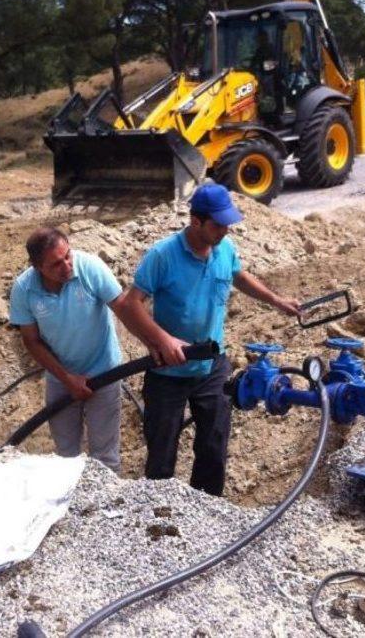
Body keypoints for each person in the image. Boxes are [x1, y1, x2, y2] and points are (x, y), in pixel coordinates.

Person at [120, 183, 300, 497]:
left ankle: (207, 510)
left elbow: (238, 276)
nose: (225, 231)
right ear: (196, 221)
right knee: (161, 455)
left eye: (228, 224)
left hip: (213, 365)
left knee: (214, 448)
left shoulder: (224, 249)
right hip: (168, 373)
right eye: (218, 225)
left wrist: (275, 300)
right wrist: (162, 340)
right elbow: (129, 304)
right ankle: (158, 518)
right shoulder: (163, 255)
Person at [10, 227, 136, 473]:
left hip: (105, 372)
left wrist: (157, 343)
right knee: (65, 457)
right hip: (61, 377)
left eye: (68, 256)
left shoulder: (90, 268)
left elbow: (123, 308)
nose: (67, 265)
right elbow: (31, 341)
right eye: (56, 264)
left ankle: (108, 505)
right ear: (37, 267)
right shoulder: (24, 290)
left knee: (105, 458)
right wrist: (67, 379)